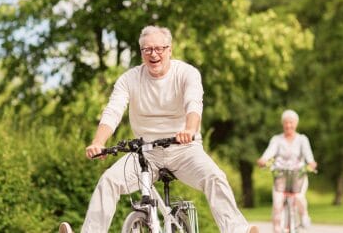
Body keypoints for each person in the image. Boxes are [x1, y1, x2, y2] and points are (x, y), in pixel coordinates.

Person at [59, 25, 259, 233]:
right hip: (145, 153)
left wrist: (189, 130)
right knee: (108, 180)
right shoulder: (129, 79)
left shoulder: (186, 73)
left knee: (215, 177)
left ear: (169, 50)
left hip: (184, 149)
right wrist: (98, 142)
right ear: (141, 53)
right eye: (147, 50)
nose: (153, 54)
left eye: (159, 49)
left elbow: (193, 103)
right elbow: (113, 111)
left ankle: (238, 230)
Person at [257, 109, 317, 233]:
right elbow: (269, 153)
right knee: (277, 205)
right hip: (281, 175)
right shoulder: (277, 139)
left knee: (299, 197)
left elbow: (309, 156)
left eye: (291, 122)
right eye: (286, 122)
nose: (288, 125)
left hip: (297, 175)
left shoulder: (302, 139)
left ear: (296, 123)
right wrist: (263, 160)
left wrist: (311, 163)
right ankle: (277, 230)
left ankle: (304, 214)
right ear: (282, 124)